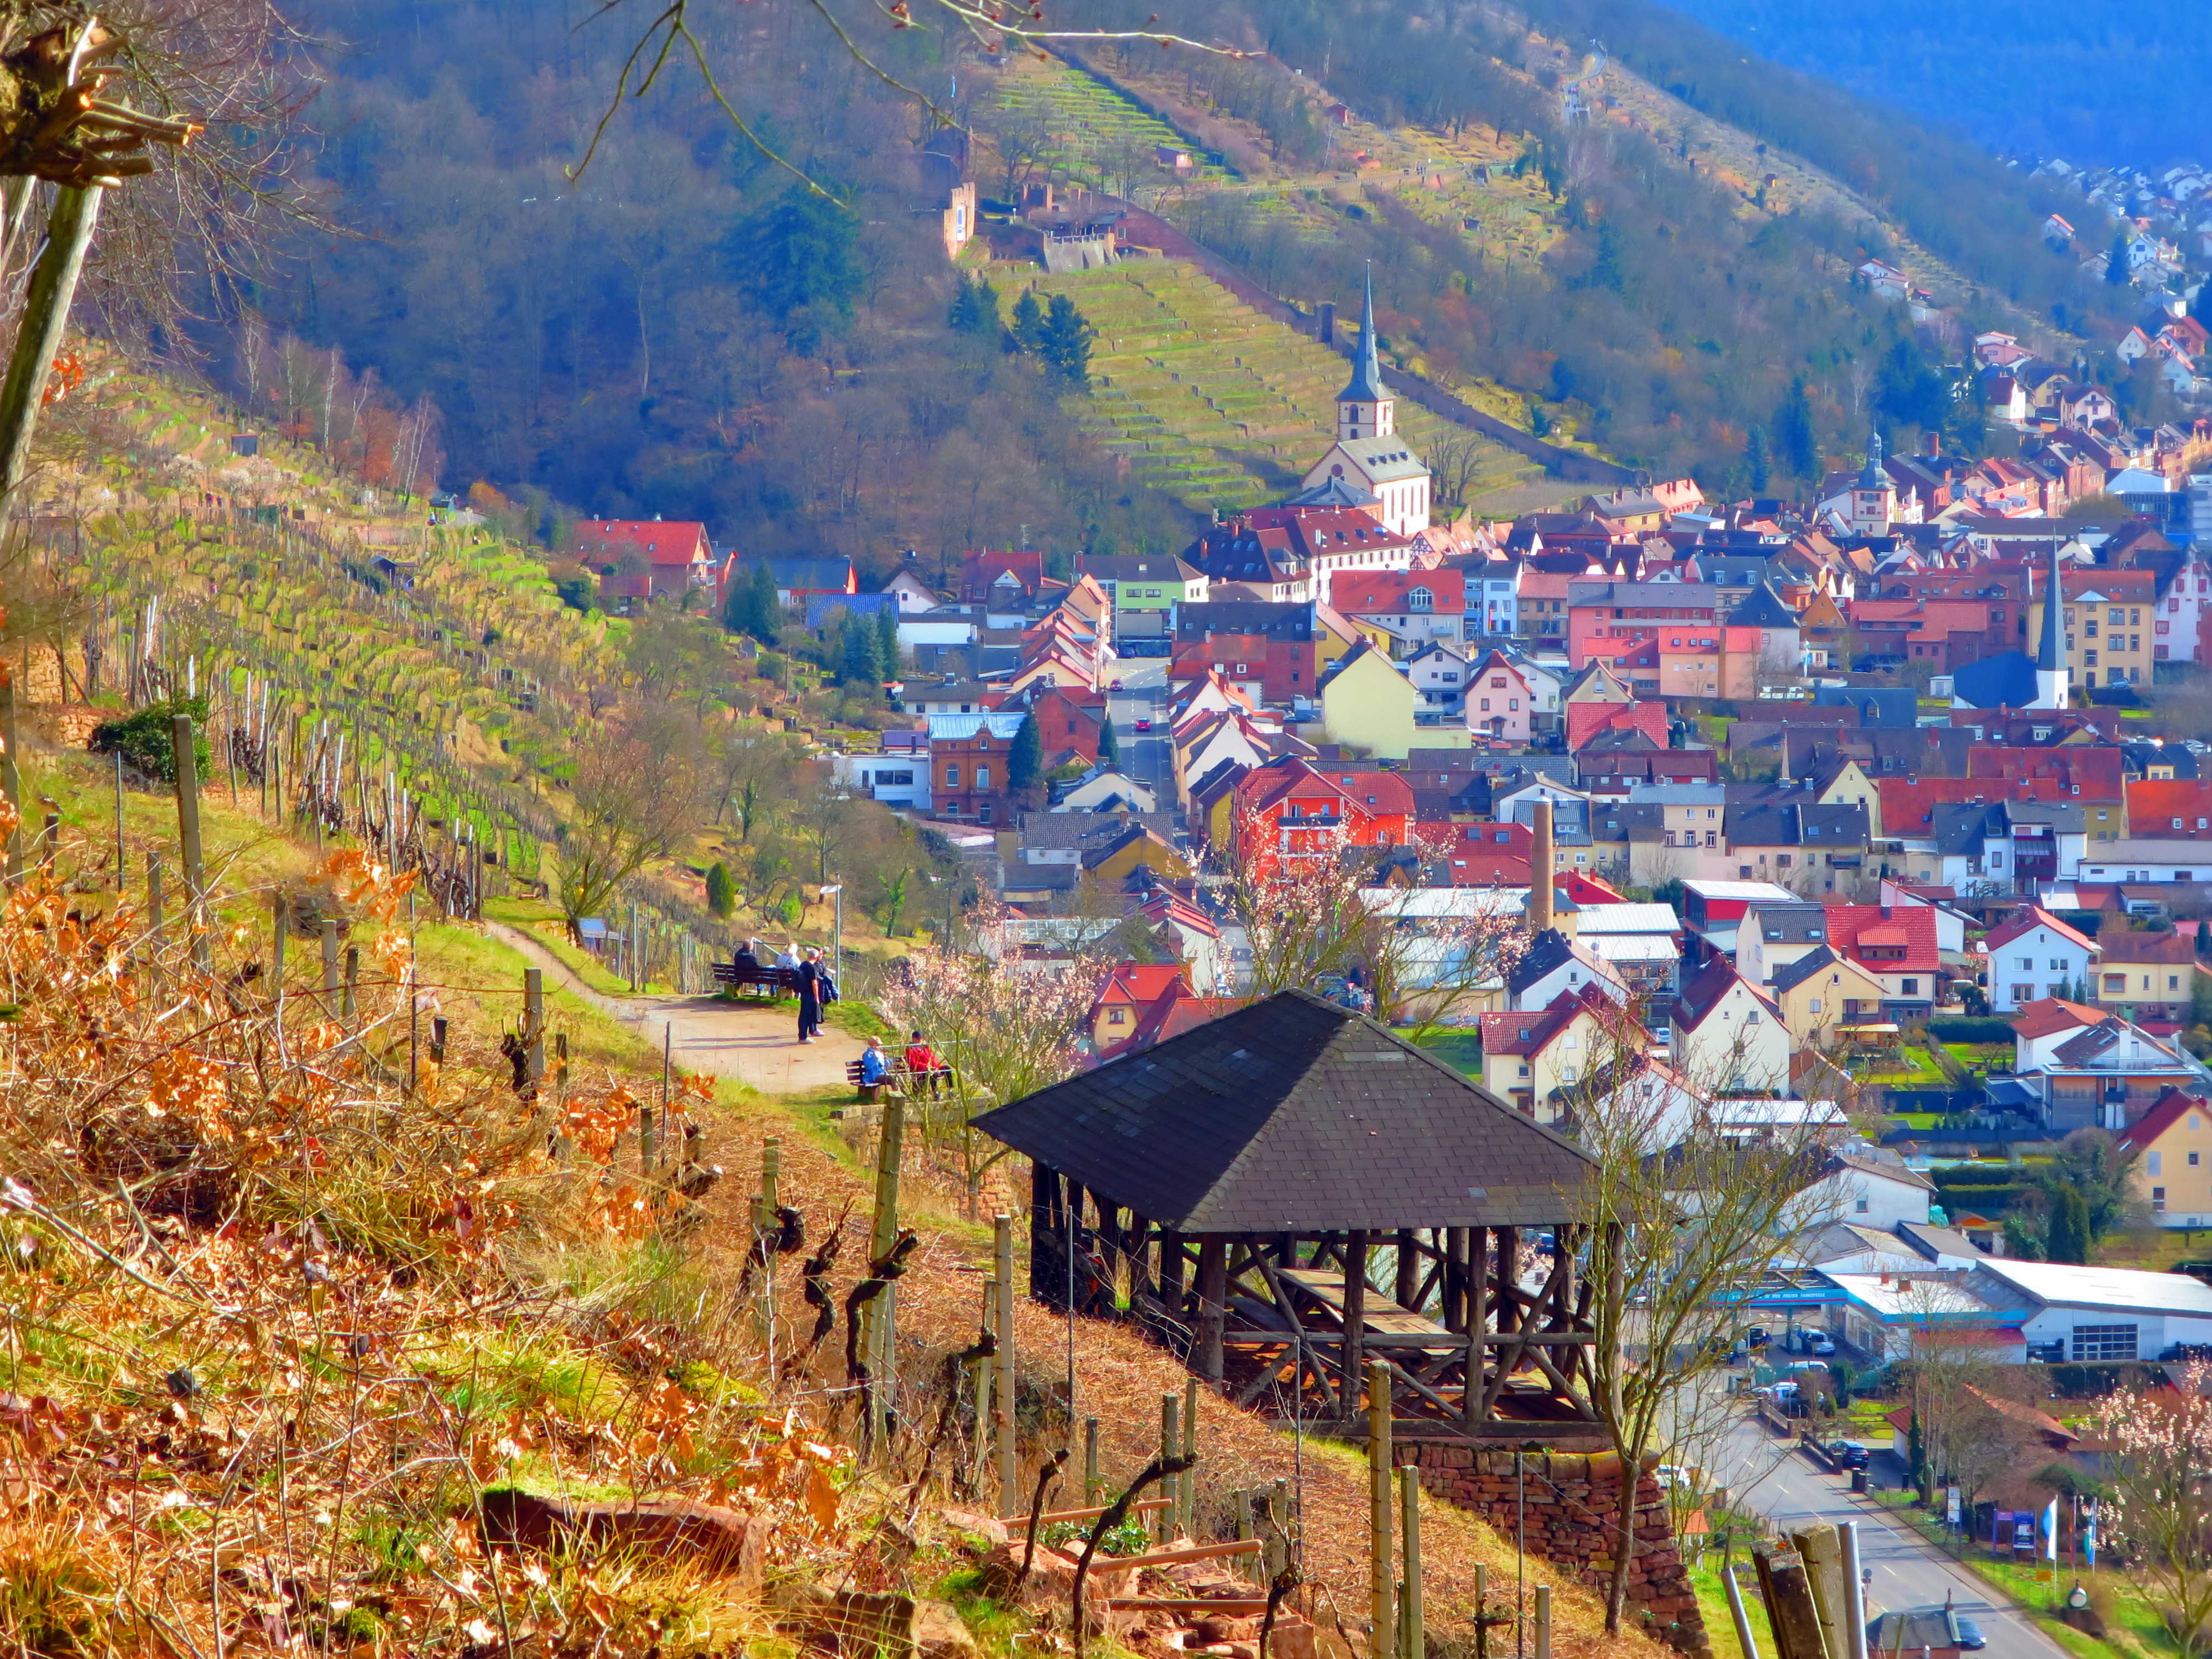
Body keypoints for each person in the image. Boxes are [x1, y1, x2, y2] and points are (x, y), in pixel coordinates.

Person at [904, 1030, 950, 1098]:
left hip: (929, 1067)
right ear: (913, 1038)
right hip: (920, 1071)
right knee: (932, 1073)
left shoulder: (925, 1047)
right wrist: (926, 1067)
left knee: (947, 1069)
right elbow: (913, 1063)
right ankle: (936, 1092)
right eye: (918, 1039)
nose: (920, 1040)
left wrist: (935, 1066)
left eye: (921, 1038)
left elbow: (930, 1057)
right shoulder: (910, 1049)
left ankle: (951, 1090)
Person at [795, 947, 824, 1044]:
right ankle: (803, 1037)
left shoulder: (803, 965)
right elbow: (814, 984)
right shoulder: (812, 968)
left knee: (803, 1014)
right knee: (807, 1015)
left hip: (803, 992)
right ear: (816, 957)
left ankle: (803, 1036)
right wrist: (817, 998)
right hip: (810, 994)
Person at [858, 1035, 895, 1099]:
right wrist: (875, 1059)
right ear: (874, 1046)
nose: (880, 1047)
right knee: (893, 1078)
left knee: (898, 1077)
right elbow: (868, 1067)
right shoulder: (867, 1055)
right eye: (879, 1045)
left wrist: (886, 1058)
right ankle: (896, 1097)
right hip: (873, 1076)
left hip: (882, 1074)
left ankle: (903, 1096)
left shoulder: (879, 1054)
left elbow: (886, 1065)